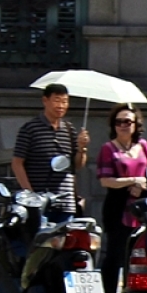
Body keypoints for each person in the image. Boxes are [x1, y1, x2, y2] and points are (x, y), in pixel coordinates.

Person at [96, 105, 147, 293]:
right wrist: (132, 180)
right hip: (118, 207)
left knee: (138, 254)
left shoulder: (143, 145)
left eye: (127, 121)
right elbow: (105, 180)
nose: (123, 125)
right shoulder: (108, 149)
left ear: (136, 124)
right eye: (119, 122)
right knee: (115, 254)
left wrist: (143, 183)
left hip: (141, 207)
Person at [12, 83, 90, 224]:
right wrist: (30, 194)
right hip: (39, 202)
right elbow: (17, 163)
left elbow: (77, 165)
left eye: (65, 101)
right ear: (45, 101)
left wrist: (82, 148)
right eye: (57, 100)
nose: (61, 106)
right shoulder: (30, 129)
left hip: (66, 202)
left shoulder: (69, 129)